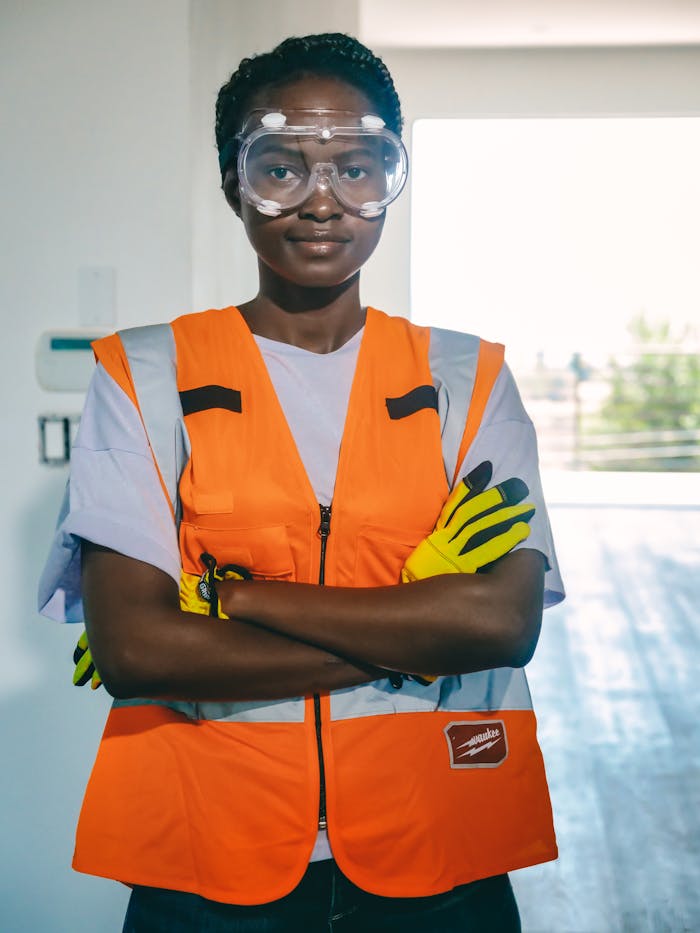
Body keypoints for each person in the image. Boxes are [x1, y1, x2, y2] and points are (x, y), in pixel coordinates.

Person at [39, 32, 565, 933]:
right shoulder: (145, 375)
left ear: (391, 179)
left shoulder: (467, 378)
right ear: (234, 183)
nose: (323, 201)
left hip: (435, 843)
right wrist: (417, 627)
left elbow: (501, 625)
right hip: (209, 859)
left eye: (357, 168)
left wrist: (233, 601)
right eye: (281, 168)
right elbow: (136, 651)